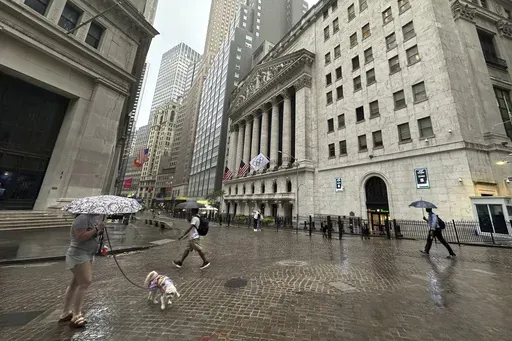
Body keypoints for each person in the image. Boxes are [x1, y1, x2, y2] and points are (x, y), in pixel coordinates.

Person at [59, 214, 105, 327]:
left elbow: (90, 236)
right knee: (85, 282)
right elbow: (80, 236)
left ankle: (65, 313)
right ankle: (76, 315)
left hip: (87, 254)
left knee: (75, 283)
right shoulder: (82, 219)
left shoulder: (92, 219)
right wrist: (97, 228)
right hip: (79, 254)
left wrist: (99, 232)